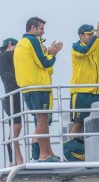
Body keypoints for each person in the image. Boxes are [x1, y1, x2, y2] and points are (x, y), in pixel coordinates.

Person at [14, 17, 63, 162]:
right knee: (42, 120)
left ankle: (48, 151)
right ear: (33, 28)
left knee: (42, 119)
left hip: (28, 88)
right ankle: (43, 154)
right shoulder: (32, 41)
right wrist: (53, 54)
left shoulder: (20, 43)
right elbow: (44, 63)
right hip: (38, 88)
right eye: (41, 28)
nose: (43, 31)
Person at [70, 17, 99, 138]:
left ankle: (97, 150)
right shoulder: (76, 47)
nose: (92, 36)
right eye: (89, 34)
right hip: (81, 93)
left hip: (96, 93)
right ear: (81, 36)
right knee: (78, 124)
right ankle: (69, 151)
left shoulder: (96, 45)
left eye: (92, 33)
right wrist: (97, 34)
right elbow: (86, 51)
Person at [0, 38, 24, 165]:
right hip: (11, 98)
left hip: (12, 97)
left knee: (15, 129)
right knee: (16, 128)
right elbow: (21, 53)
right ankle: (17, 160)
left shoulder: (6, 57)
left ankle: (13, 161)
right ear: (9, 46)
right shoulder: (5, 56)